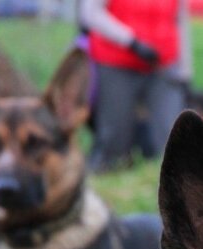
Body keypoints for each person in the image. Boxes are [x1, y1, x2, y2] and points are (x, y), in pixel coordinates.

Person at [80, 0, 192, 172]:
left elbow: (181, 19)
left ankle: (178, 185)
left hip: (163, 62)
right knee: (114, 140)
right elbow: (90, 13)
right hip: (116, 60)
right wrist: (131, 42)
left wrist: (185, 72)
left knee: (174, 135)